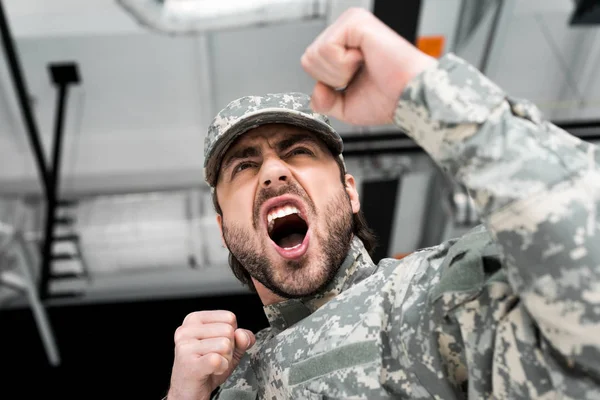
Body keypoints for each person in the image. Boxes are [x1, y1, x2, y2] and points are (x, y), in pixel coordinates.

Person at [165, 7, 600, 400]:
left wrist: (425, 92)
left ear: (350, 192)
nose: (274, 173)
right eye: (244, 166)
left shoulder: (425, 298)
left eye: (298, 151)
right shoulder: (228, 385)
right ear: (223, 229)